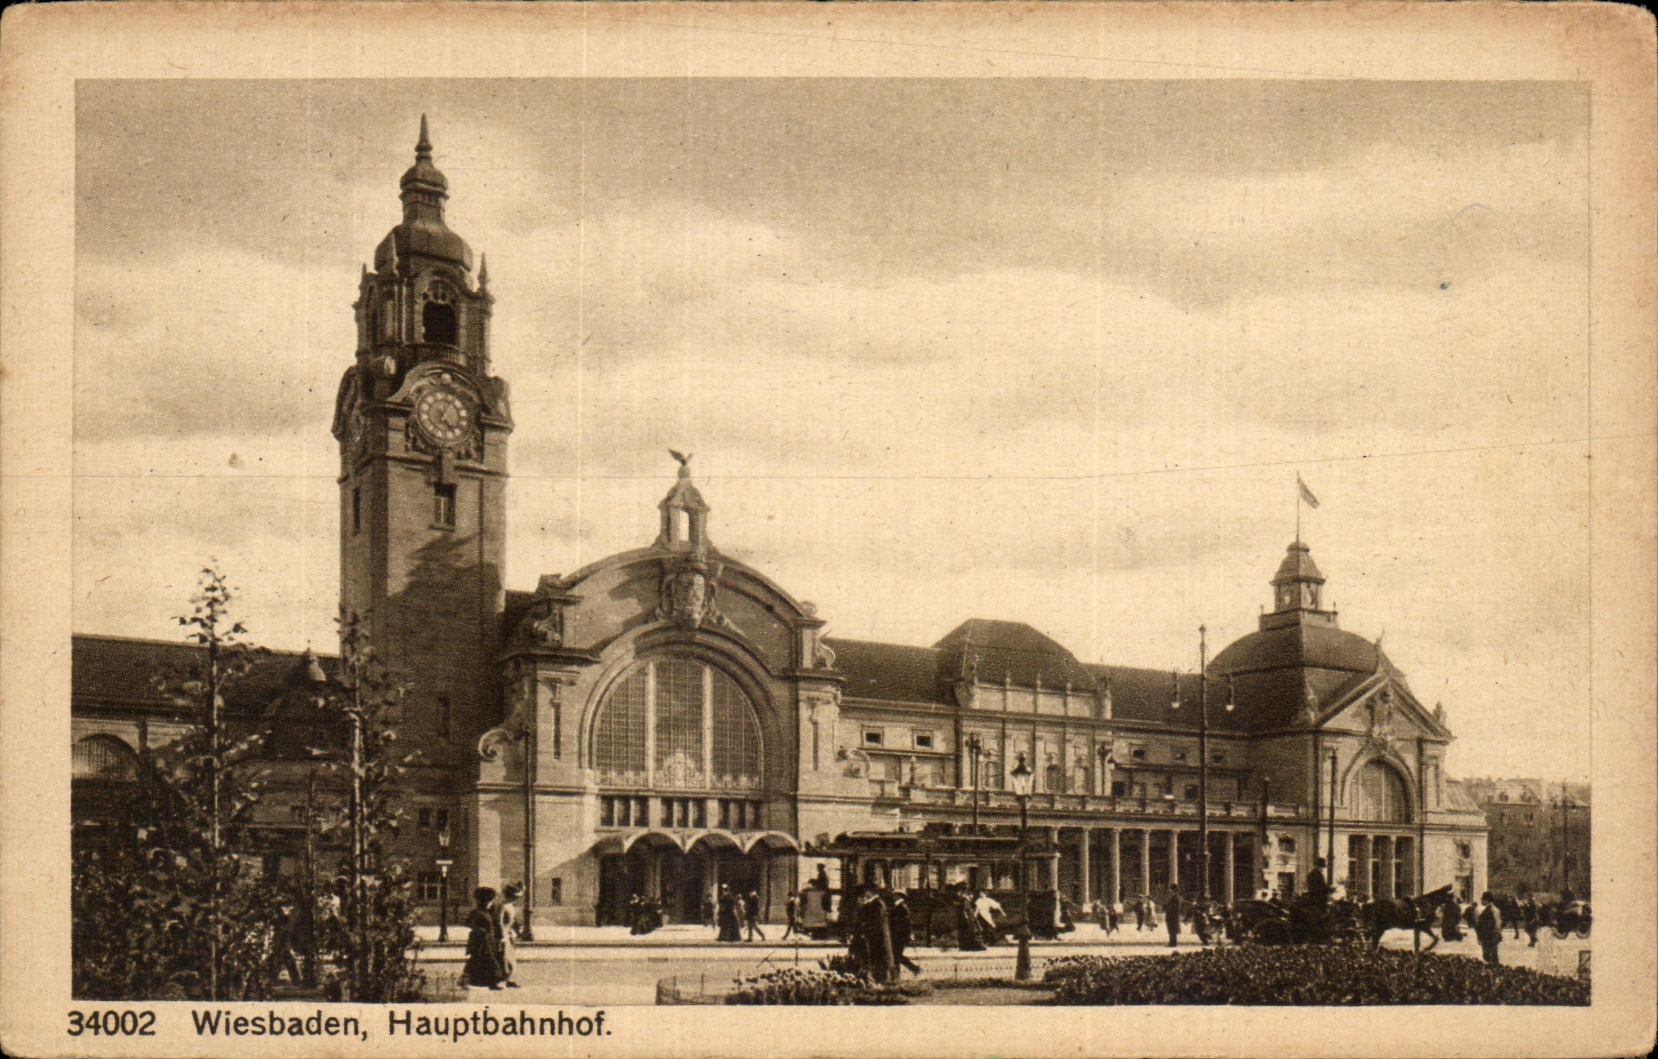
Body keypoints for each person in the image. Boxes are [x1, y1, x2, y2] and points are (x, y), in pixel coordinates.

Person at [463, 887, 506, 989]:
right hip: (481, 942)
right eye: (490, 900)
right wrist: (481, 931)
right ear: (485, 901)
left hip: (489, 941)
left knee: (483, 961)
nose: (492, 903)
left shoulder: (488, 912)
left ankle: (490, 982)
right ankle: (492, 982)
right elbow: (470, 924)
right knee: (487, 961)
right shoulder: (477, 913)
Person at [850, 887, 896, 983]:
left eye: (866, 894)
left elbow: (876, 923)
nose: (864, 897)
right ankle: (879, 981)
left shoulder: (877, 904)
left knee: (879, 961)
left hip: (878, 938)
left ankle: (882, 982)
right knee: (875, 961)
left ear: (870, 892)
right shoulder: (873, 904)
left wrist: (865, 929)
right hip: (875, 938)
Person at [888, 891, 923, 977]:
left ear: (900, 896)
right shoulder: (897, 907)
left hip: (900, 936)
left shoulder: (902, 907)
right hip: (896, 935)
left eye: (895, 895)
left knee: (896, 955)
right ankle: (911, 970)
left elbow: (906, 923)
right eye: (893, 895)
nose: (893, 896)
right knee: (896, 955)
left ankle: (911, 970)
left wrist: (907, 934)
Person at [496, 883, 522, 987]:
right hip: (504, 936)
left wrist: (517, 931)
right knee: (505, 960)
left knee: (511, 959)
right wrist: (502, 936)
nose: (517, 899)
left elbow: (513, 920)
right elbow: (499, 922)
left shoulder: (510, 906)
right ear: (511, 896)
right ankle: (502, 980)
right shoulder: (502, 906)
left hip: (509, 935)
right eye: (516, 897)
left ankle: (509, 979)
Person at [1474, 891, 1503, 966]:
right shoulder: (1482, 909)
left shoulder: (1494, 910)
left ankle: (1494, 968)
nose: (1481, 901)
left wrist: (1496, 936)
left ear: (1487, 900)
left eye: (1483, 899)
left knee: (1492, 954)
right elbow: (1478, 924)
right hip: (1485, 935)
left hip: (1491, 935)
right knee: (1486, 954)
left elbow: (1497, 925)